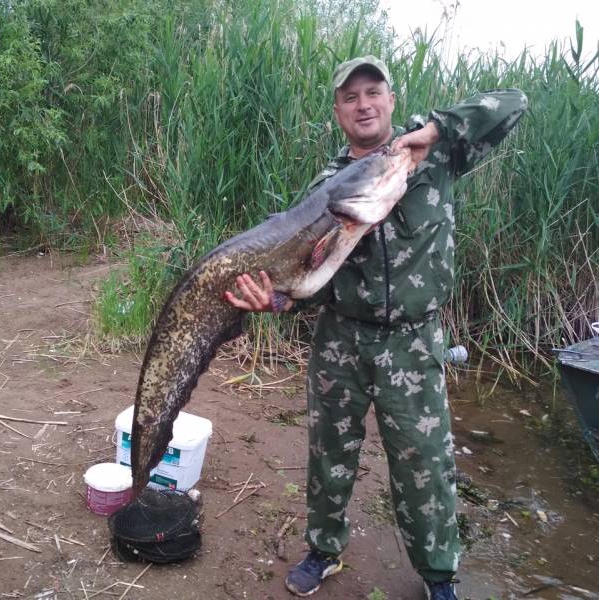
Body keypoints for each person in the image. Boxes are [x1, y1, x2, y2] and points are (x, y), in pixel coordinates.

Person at [225, 56, 527, 599]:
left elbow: (513, 104)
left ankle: (438, 575)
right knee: (328, 452)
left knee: (424, 461)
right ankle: (323, 549)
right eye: (350, 97)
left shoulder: (437, 158)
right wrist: (270, 300)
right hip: (340, 339)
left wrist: (431, 132)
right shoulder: (326, 185)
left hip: (413, 341)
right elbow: (302, 277)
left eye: (373, 92)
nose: (363, 104)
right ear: (338, 112)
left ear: (391, 99)